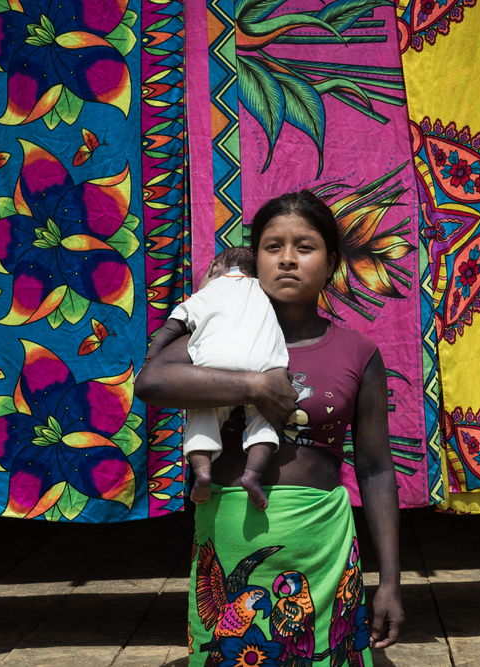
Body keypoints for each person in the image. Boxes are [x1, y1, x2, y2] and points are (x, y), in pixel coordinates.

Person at [135, 190, 403, 665]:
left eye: (305, 246)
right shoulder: (213, 337)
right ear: (253, 259)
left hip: (323, 548)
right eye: (272, 246)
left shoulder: (357, 353)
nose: (287, 260)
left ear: (332, 262)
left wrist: (390, 582)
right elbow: (153, 381)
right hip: (230, 543)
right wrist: (255, 385)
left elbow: (377, 469)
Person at [149, 246, 288, 509]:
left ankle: (202, 472)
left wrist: (152, 356)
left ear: (214, 268)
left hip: (214, 365)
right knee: (265, 418)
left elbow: (174, 324)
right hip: (262, 365)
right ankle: (252, 475)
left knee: (202, 413)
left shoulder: (209, 291)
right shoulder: (262, 289)